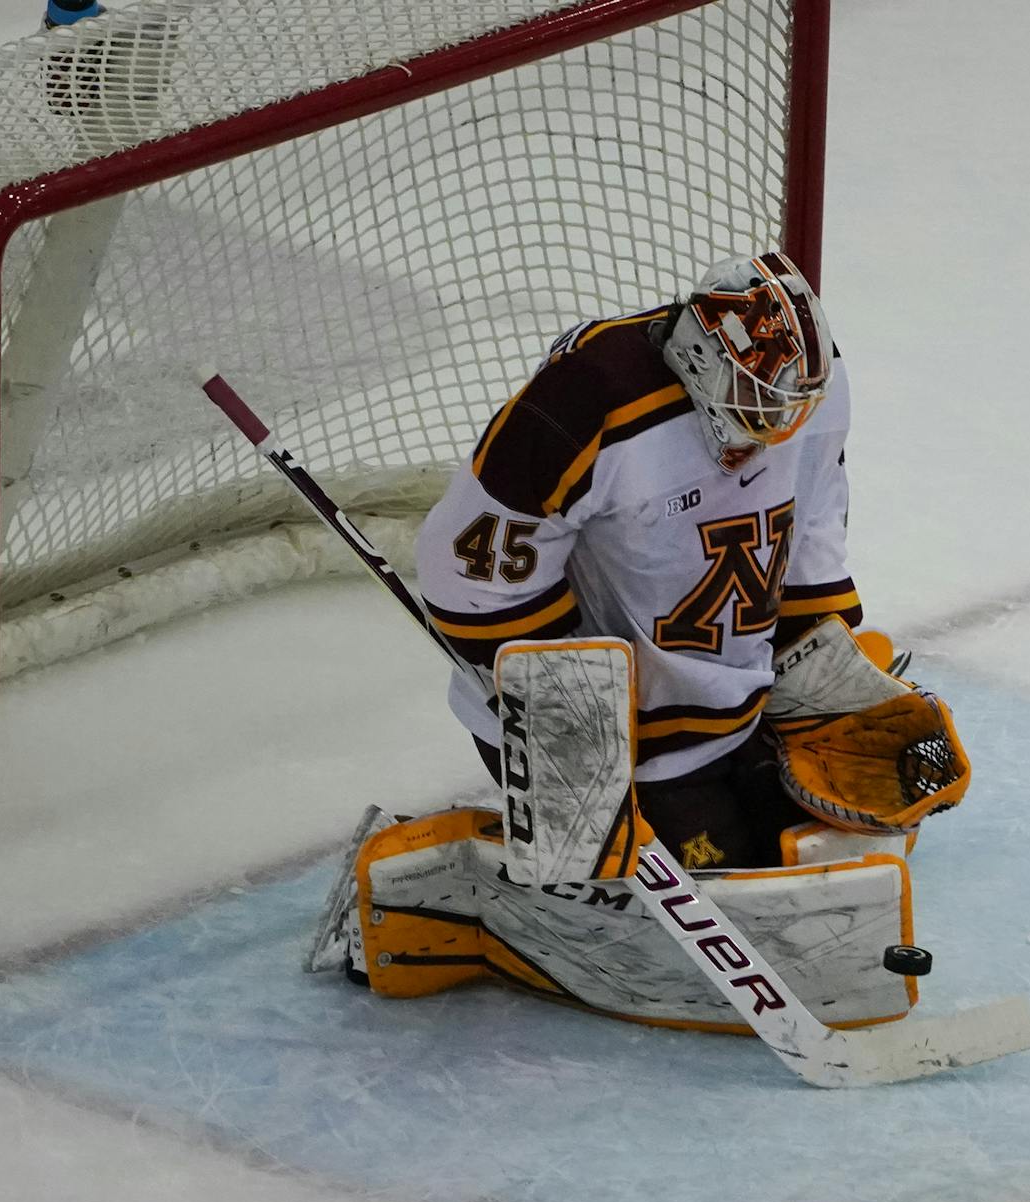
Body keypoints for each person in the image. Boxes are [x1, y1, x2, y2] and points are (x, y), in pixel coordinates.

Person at [302, 252, 968, 1029]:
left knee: (812, 842)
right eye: (756, 406)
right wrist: (568, 716)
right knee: (712, 904)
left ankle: (682, 797)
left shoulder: (804, 396)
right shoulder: (589, 403)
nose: (777, 430)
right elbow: (465, 570)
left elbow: (811, 518)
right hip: (616, 726)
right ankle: (443, 890)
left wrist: (812, 652)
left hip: (733, 698)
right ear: (696, 358)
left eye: (791, 409)